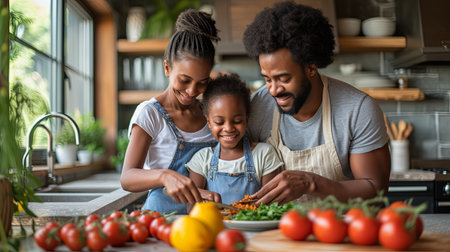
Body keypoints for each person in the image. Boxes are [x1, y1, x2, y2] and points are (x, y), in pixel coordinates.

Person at [242, 1, 391, 205]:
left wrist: (311, 183)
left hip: (342, 230)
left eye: (283, 78)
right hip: (277, 232)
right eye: (267, 79)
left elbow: (375, 190)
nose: (274, 90)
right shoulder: (257, 107)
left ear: (311, 68)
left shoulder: (357, 109)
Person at [120, 9, 220, 214]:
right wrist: (164, 176)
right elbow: (127, 178)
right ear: (167, 68)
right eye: (184, 80)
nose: (192, 91)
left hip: (207, 219)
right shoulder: (150, 113)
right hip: (161, 219)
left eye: (202, 83)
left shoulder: (210, 113)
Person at [185, 74, 283, 204]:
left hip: (255, 224)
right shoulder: (202, 159)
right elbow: (191, 208)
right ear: (209, 122)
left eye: (237, 121)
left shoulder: (264, 154)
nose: (228, 128)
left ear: (246, 120)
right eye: (219, 122)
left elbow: (271, 204)